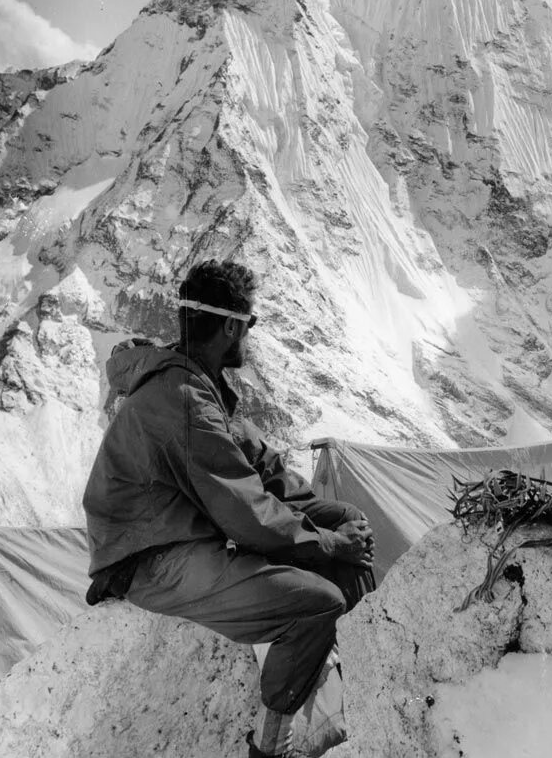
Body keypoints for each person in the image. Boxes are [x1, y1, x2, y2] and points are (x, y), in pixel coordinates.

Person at [82, 259, 376, 758]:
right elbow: (249, 514)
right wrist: (326, 543)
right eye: (251, 326)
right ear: (233, 326)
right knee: (316, 602)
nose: (250, 337)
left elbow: (265, 472)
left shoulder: (199, 382)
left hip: (182, 537)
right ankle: (272, 747)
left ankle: (355, 707)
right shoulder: (185, 400)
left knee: (341, 531)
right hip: (152, 558)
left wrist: (339, 525)